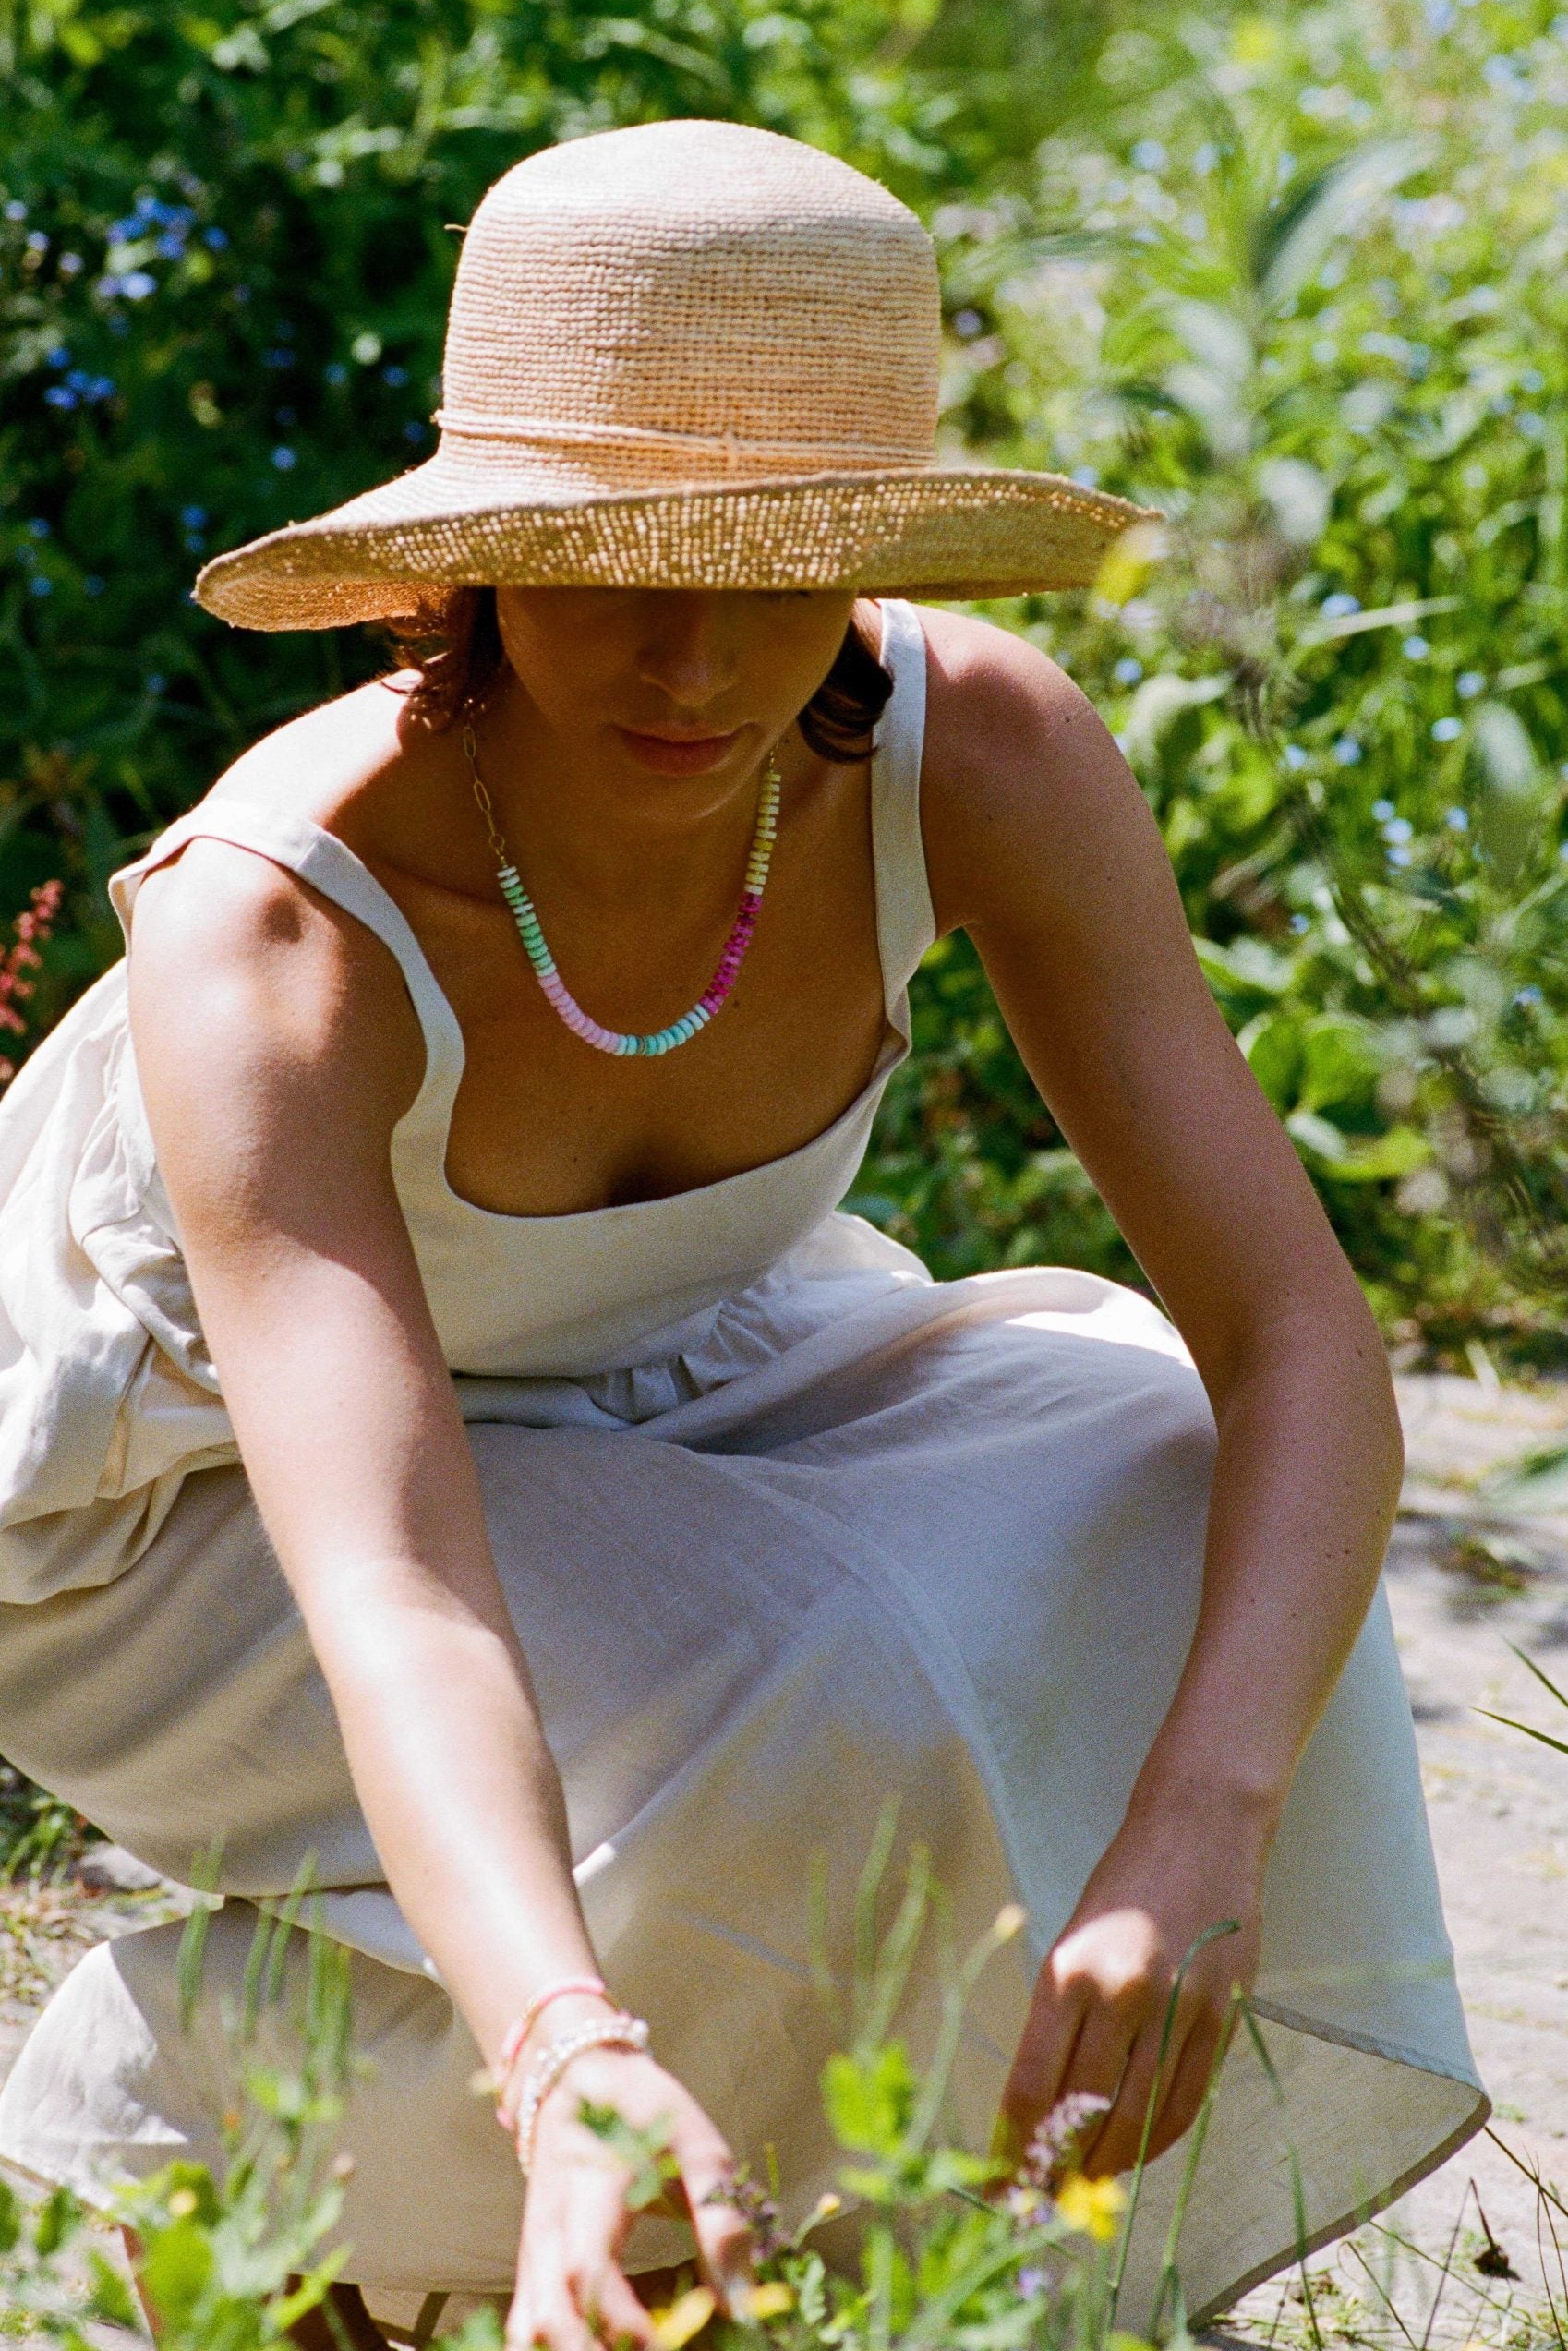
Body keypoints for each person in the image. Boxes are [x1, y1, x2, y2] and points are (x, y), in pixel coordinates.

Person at [0, 118, 1484, 2350]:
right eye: (608, 562)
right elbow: (397, 1589)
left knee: (1171, 1484)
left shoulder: (975, 752)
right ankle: (191, 2102)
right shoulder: (282, 936)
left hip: (674, 1358)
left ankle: (766, 2234)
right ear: (473, 555)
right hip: (164, 1497)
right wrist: (564, 2053)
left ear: (875, 551)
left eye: (778, 559)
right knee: (820, 1684)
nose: (695, 655)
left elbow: (1292, 1333)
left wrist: (1203, 1828)